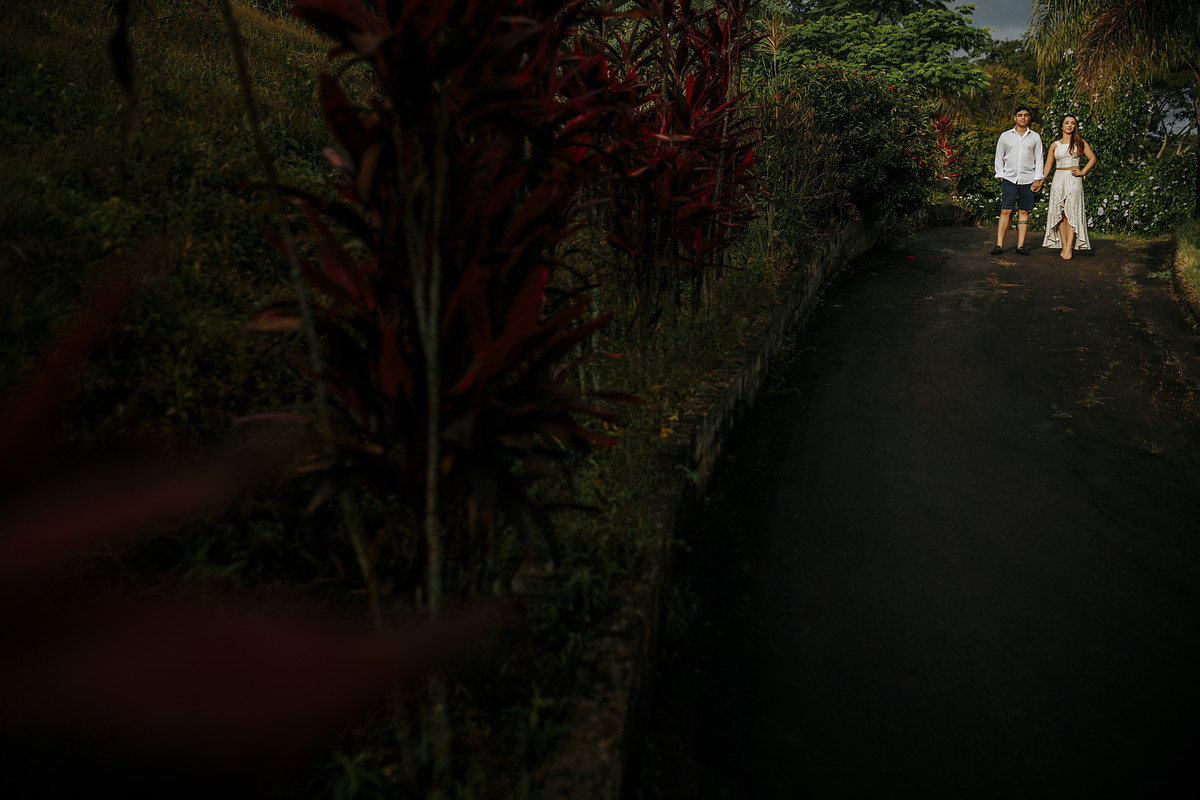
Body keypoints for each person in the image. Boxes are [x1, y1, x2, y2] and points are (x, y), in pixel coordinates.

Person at [1041, 114, 1097, 259]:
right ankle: (1064, 244)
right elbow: (1048, 165)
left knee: (1071, 211)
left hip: (1074, 178)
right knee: (1061, 213)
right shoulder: (1055, 145)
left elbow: (1092, 158)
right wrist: (1040, 181)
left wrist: (1083, 171)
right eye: (1067, 123)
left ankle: (1069, 247)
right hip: (1059, 178)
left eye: (1072, 123)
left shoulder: (1080, 142)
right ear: (1062, 126)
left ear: (1075, 126)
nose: (1070, 125)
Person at [991, 107, 1044, 256]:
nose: (1023, 118)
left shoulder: (1035, 137)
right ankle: (999, 245)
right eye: (1020, 115)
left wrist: (1038, 179)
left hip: (1028, 179)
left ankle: (1020, 246)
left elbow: (1039, 159)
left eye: (1026, 115)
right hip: (1009, 178)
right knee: (1005, 210)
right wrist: (1001, 175)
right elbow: (999, 157)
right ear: (1015, 117)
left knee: (1024, 211)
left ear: (1029, 118)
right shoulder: (1005, 136)